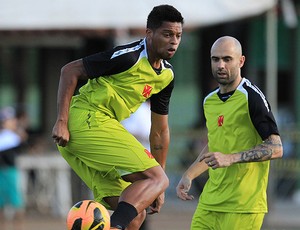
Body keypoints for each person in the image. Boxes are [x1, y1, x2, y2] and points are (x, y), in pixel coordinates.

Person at [52, 4, 184, 230]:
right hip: (85, 120)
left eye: (178, 35)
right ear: (149, 33)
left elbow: (160, 130)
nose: (174, 41)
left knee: (135, 217)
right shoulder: (130, 56)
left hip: (96, 129)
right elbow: (69, 71)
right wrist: (61, 121)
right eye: (167, 34)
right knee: (157, 180)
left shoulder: (166, 76)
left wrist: (156, 187)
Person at [176, 36, 283, 230]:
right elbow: (216, 145)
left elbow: (276, 148)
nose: (220, 65)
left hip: (243, 206)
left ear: (241, 61)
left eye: (227, 59)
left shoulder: (252, 97)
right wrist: (189, 175)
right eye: (215, 59)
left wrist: (231, 158)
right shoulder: (209, 101)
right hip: (210, 202)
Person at [0, 106, 26, 230]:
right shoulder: (5, 136)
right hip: (2, 171)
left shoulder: (13, 136)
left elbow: (22, 142)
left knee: (16, 199)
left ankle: (18, 226)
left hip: (10, 170)